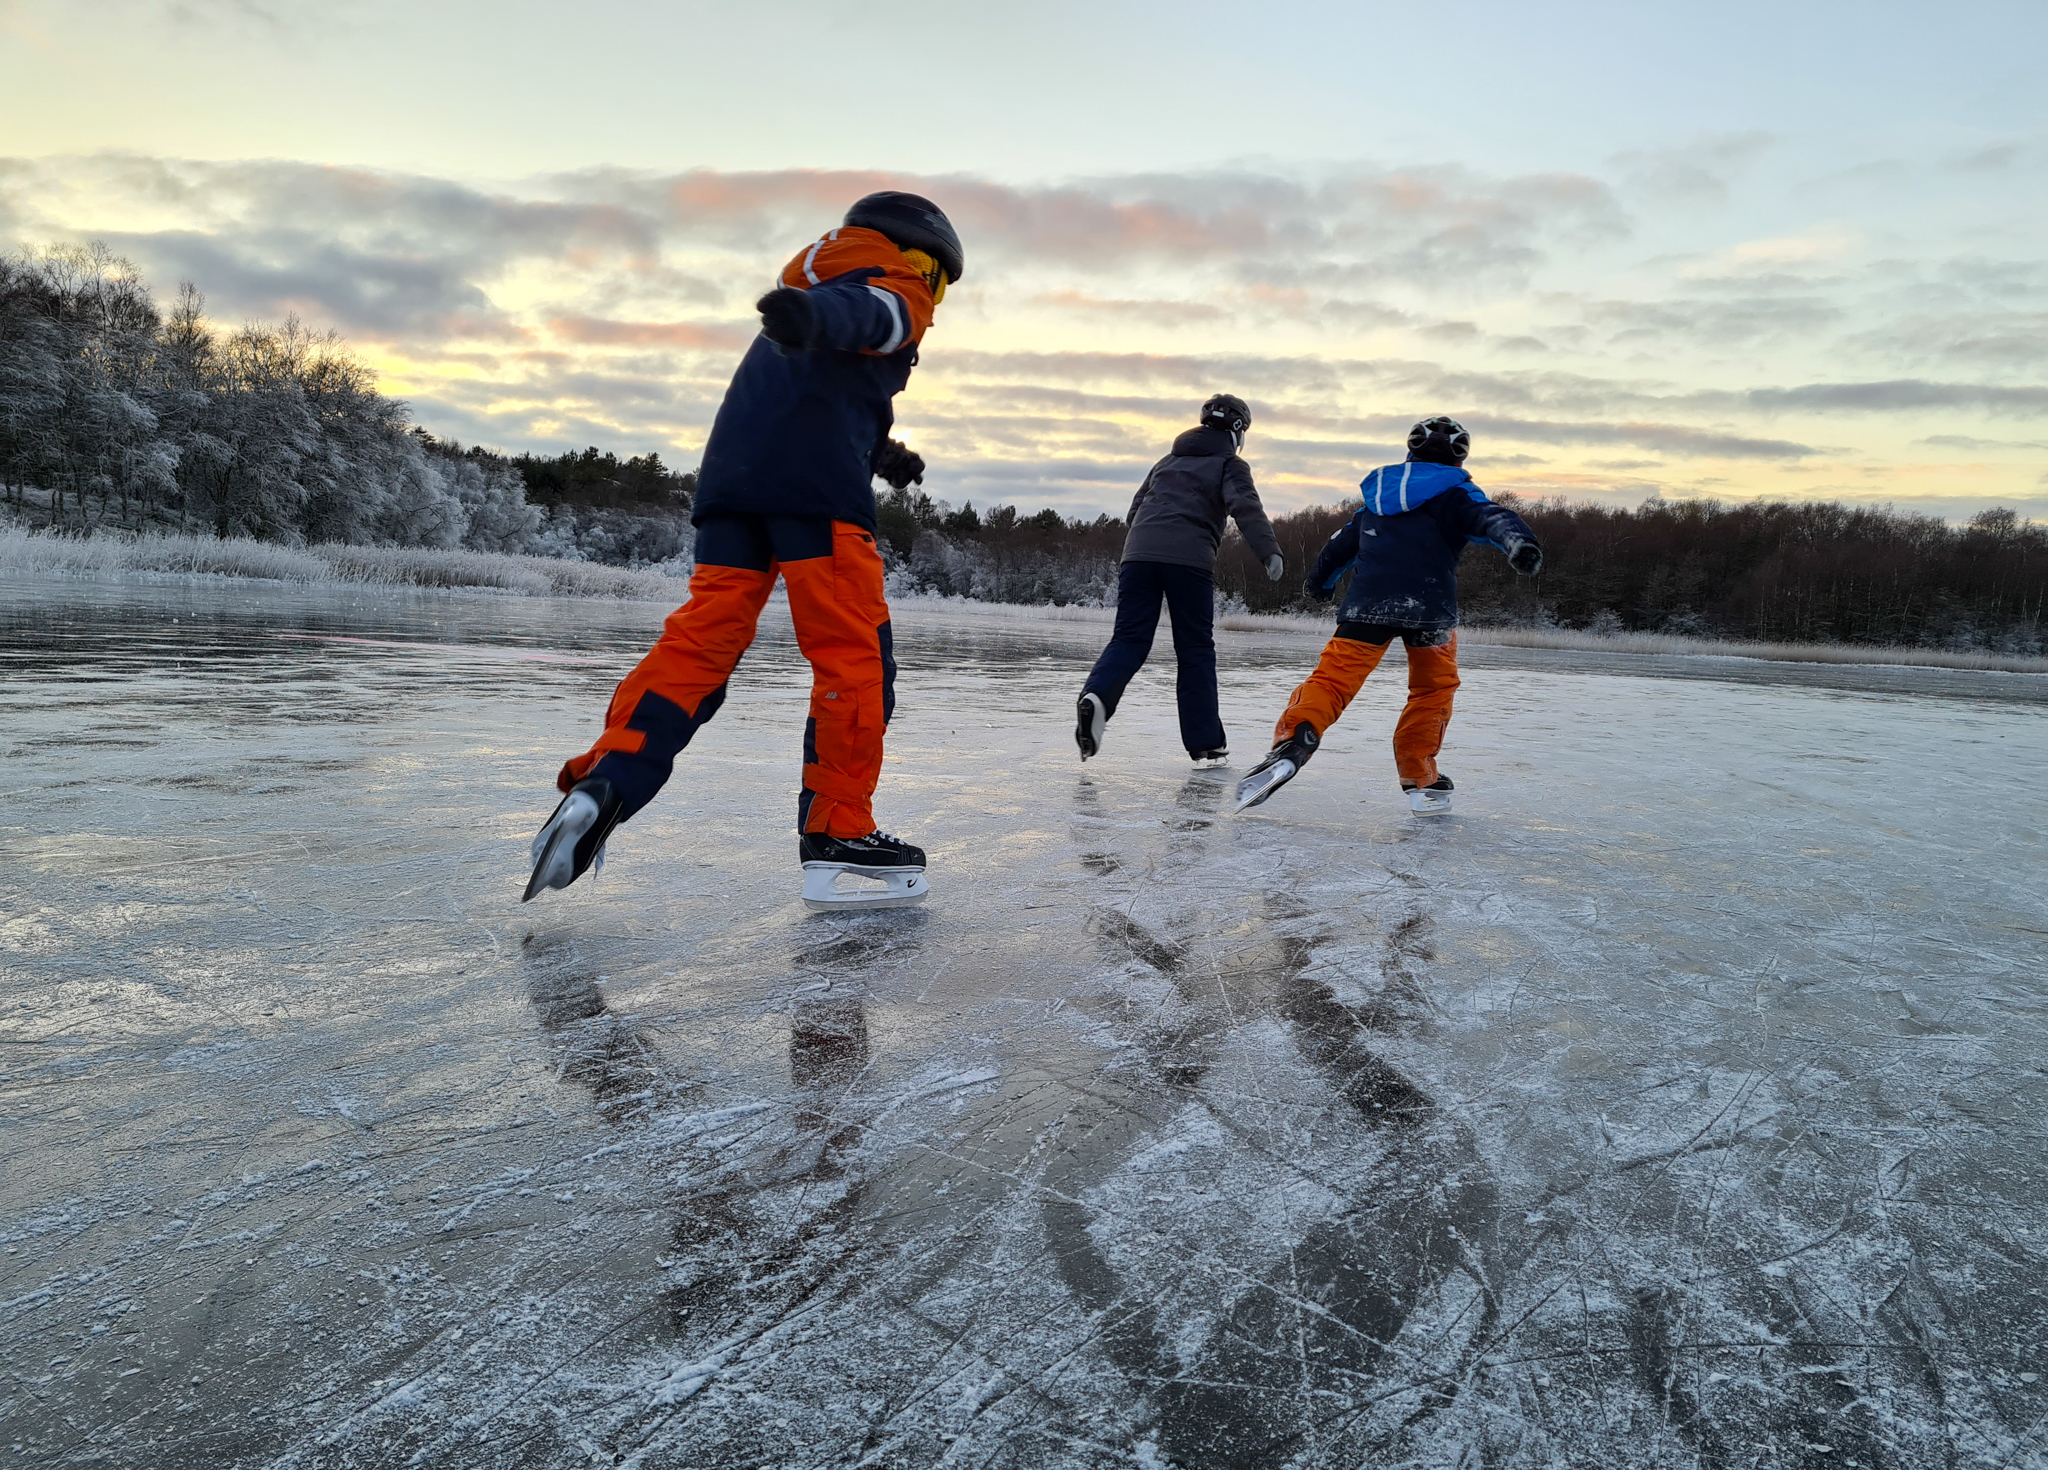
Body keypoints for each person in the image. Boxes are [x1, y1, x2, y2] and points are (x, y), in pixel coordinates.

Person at [525, 191, 963, 910]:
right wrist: (841, 316)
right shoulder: (890, 286)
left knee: (702, 642)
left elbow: (812, 396)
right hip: (818, 498)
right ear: (916, 255)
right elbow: (876, 320)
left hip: (733, 487)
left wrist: (883, 453)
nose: (932, 296)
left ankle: (605, 782)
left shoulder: (802, 299)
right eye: (938, 278)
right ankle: (838, 829)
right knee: (855, 657)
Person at [1234, 416, 1542, 816]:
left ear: (1410, 451)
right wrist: (1519, 543)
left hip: (1367, 607)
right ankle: (1421, 778)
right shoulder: (1457, 494)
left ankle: (1293, 743)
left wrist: (1319, 584)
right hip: (1430, 613)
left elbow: (1337, 546)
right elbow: (1492, 517)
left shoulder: (1376, 503)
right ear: (1460, 457)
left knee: (1332, 680)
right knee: (1432, 691)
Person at [1074, 393, 1285, 769]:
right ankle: (1206, 742)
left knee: (1129, 638)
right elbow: (1246, 508)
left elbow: (1134, 512)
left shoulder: (1166, 462)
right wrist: (1270, 553)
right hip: (1189, 561)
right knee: (1195, 650)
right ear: (1237, 430)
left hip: (1137, 556)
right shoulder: (1229, 464)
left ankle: (1098, 696)